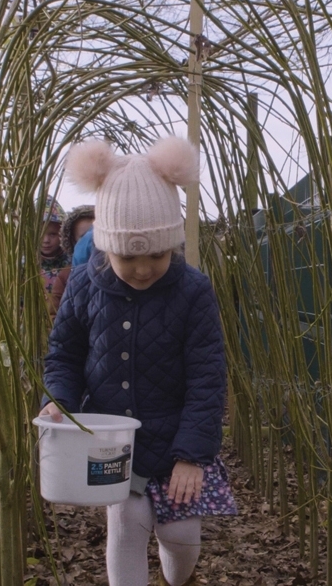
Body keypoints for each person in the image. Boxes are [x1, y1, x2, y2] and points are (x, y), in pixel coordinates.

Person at [40, 136, 236, 586]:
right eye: (129, 256)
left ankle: (177, 578)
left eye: (157, 254)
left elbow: (207, 377)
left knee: (181, 534)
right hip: (110, 441)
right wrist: (62, 401)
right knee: (127, 526)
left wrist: (191, 454)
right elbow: (64, 354)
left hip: (174, 441)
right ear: (107, 245)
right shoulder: (86, 287)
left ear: (173, 244)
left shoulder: (193, 291)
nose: (144, 268)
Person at [39, 195, 71, 318]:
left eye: (52, 234)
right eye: (41, 234)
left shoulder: (71, 263)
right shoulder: (25, 264)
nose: (46, 240)